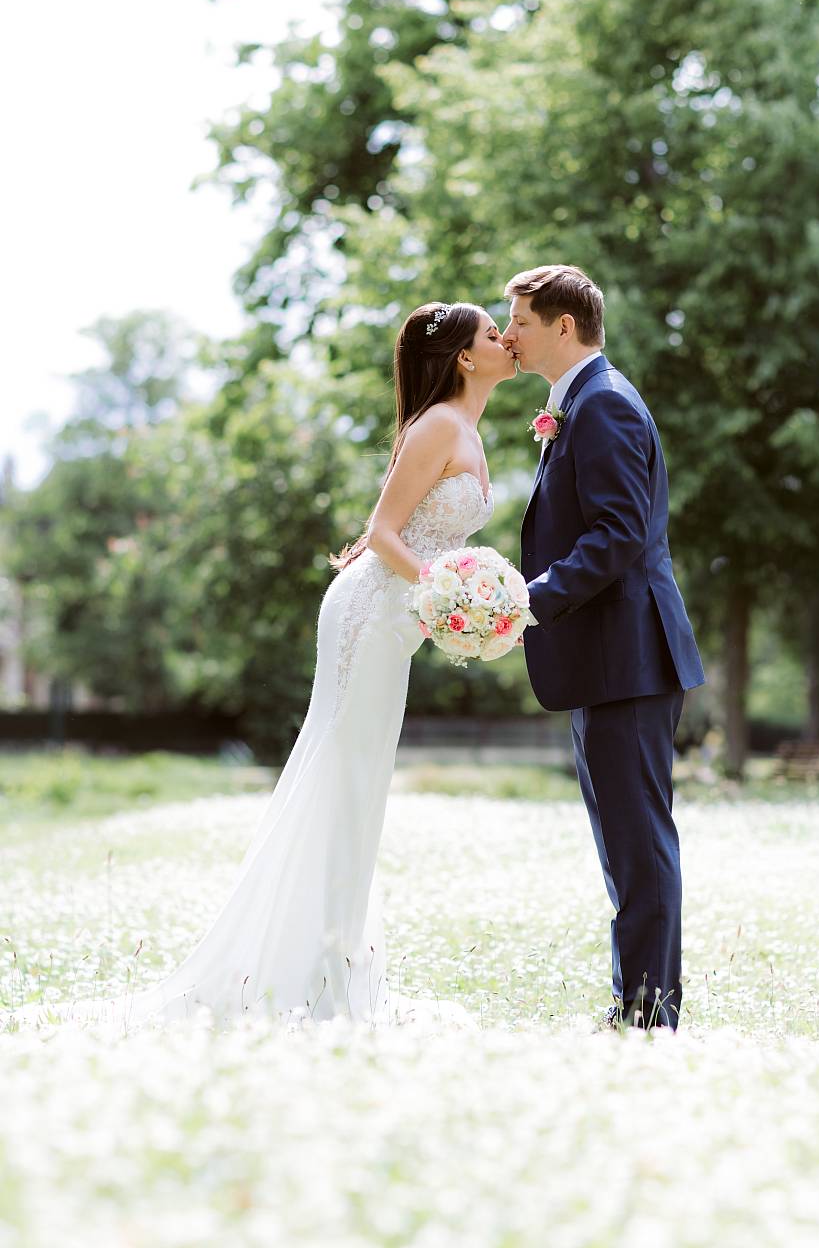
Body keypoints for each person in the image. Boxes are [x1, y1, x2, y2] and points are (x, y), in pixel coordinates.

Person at [22, 301, 516, 1032]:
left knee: (361, 783)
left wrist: (450, 602)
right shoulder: (440, 424)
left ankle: (336, 960)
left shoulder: (466, 429)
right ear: (467, 357)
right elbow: (381, 533)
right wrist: (446, 594)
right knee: (340, 775)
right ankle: (298, 971)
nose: (508, 342)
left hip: (399, 617)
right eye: (495, 334)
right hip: (369, 613)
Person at [502, 265, 704, 1031]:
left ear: (562, 326)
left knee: (640, 845)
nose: (508, 336)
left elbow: (618, 535)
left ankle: (650, 1014)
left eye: (518, 321)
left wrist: (530, 600)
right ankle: (636, 1003)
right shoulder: (581, 403)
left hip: (631, 658)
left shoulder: (604, 404)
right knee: (624, 847)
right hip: (607, 660)